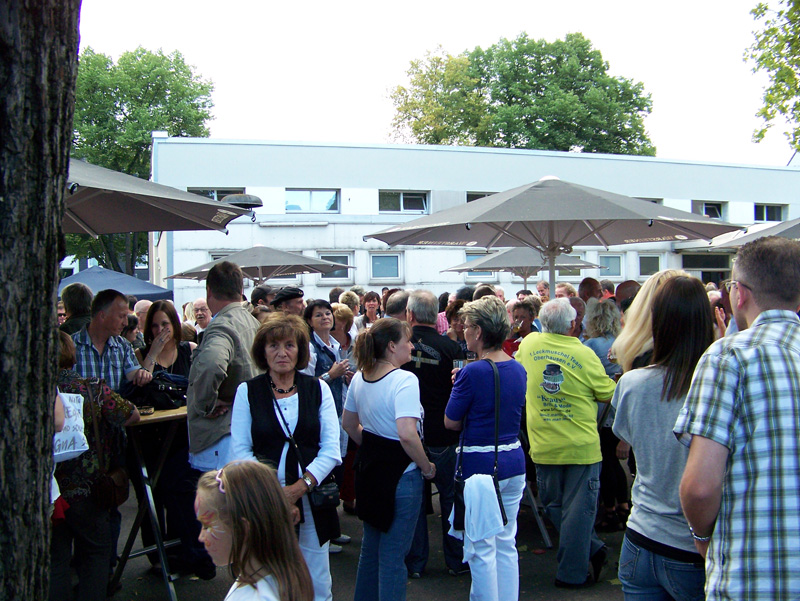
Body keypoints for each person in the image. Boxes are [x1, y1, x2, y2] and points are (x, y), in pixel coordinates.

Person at [676, 237, 800, 601]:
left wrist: (702, 536)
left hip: (753, 577)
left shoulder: (729, 357)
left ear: (739, 294)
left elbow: (700, 486)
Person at [612, 276, 712, 601]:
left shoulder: (632, 384)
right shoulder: (715, 387)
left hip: (641, 537)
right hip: (692, 545)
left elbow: (627, 435)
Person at [231, 314, 341, 601]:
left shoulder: (318, 389)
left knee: (317, 581)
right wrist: (276, 496)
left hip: (311, 497)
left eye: (289, 345)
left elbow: (330, 449)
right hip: (263, 501)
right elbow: (240, 452)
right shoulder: (247, 391)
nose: (282, 353)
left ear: (300, 350)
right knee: (267, 579)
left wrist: (297, 489)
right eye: (274, 345)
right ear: (263, 351)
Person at [516, 298, 616, 588]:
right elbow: (607, 393)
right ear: (573, 324)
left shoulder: (530, 344)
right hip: (580, 446)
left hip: (544, 445)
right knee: (577, 512)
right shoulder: (583, 354)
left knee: (554, 506)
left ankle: (571, 571)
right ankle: (589, 554)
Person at [342, 318, 436, 601]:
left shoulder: (360, 376)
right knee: (394, 557)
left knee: (371, 551)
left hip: (369, 470)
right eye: (408, 341)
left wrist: (373, 445)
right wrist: (427, 467)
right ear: (392, 346)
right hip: (401, 474)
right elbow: (407, 434)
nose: (412, 346)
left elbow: (349, 424)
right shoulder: (404, 380)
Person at [444, 295, 527, 601]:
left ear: (478, 331)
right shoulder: (518, 368)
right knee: (506, 542)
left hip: (479, 467)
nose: (463, 330)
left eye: (466, 326)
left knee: (480, 549)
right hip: (513, 461)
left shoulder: (472, 372)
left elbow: (451, 421)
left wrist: (460, 387)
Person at [50, 331, 140, 601]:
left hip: (51, 490)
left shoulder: (36, 392)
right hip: (90, 487)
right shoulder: (93, 389)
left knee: (56, 560)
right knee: (95, 556)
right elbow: (131, 414)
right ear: (73, 355)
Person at [402, 290, 467, 578]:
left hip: (409, 432)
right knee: (451, 496)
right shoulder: (453, 349)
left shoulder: (398, 347)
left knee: (414, 500)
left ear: (410, 314)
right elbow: (461, 388)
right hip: (445, 432)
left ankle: (415, 563)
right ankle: (456, 559)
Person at [195, 460, 314, 601]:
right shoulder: (261, 575)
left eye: (207, 526)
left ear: (242, 529)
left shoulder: (259, 596)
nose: (200, 537)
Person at [187, 262, 261, 474]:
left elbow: (212, 364)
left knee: (220, 494)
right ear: (241, 289)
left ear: (209, 291)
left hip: (222, 435)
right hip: (247, 429)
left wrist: (205, 404)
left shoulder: (221, 325)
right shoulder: (252, 322)